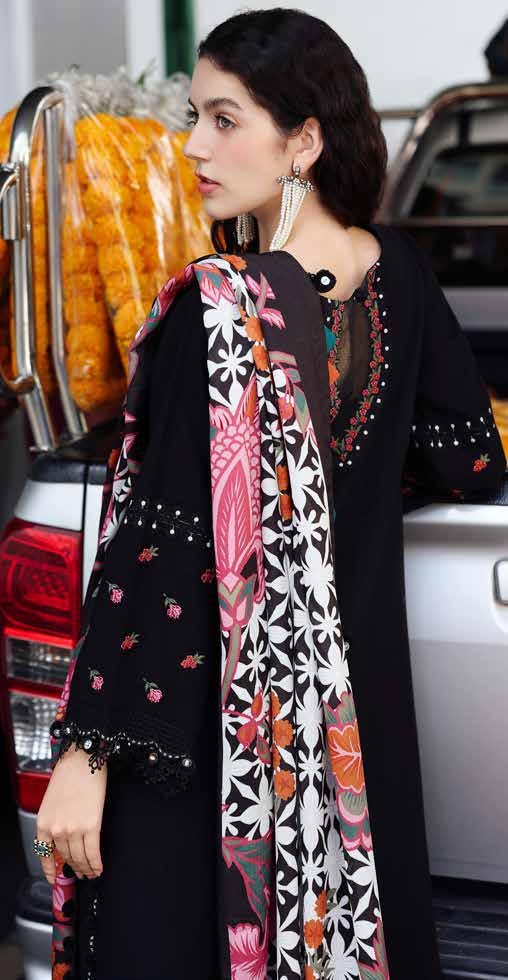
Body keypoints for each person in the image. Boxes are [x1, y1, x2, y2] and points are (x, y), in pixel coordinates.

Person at [35, 9, 506, 980]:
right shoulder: (401, 278)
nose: (193, 147)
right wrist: (335, 498)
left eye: (223, 119)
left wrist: (83, 753)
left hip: (206, 739)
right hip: (348, 740)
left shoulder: (214, 306)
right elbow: (469, 460)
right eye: (195, 119)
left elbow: (155, 546)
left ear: (303, 141)